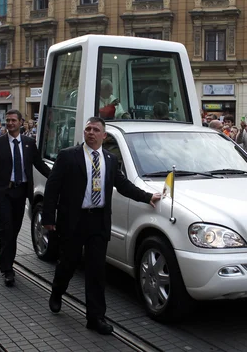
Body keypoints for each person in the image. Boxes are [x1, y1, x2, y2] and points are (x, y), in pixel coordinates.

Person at [42, 117, 161, 334]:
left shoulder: (110, 159)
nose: (91, 132)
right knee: (68, 263)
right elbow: (52, 188)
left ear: (104, 136)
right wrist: (48, 218)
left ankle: (95, 318)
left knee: (96, 271)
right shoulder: (68, 156)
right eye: (88, 129)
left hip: (98, 221)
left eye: (96, 130)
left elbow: (123, 185)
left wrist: (147, 197)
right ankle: (57, 292)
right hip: (74, 220)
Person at [0, 109, 51, 286]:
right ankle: (7, 269)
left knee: (14, 230)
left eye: (14, 120)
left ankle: (8, 261)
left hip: (21, 193)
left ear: (21, 122)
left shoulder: (29, 143)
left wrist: (56, 177)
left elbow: (40, 165)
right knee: (6, 230)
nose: (10, 123)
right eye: (8, 120)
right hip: (3, 193)